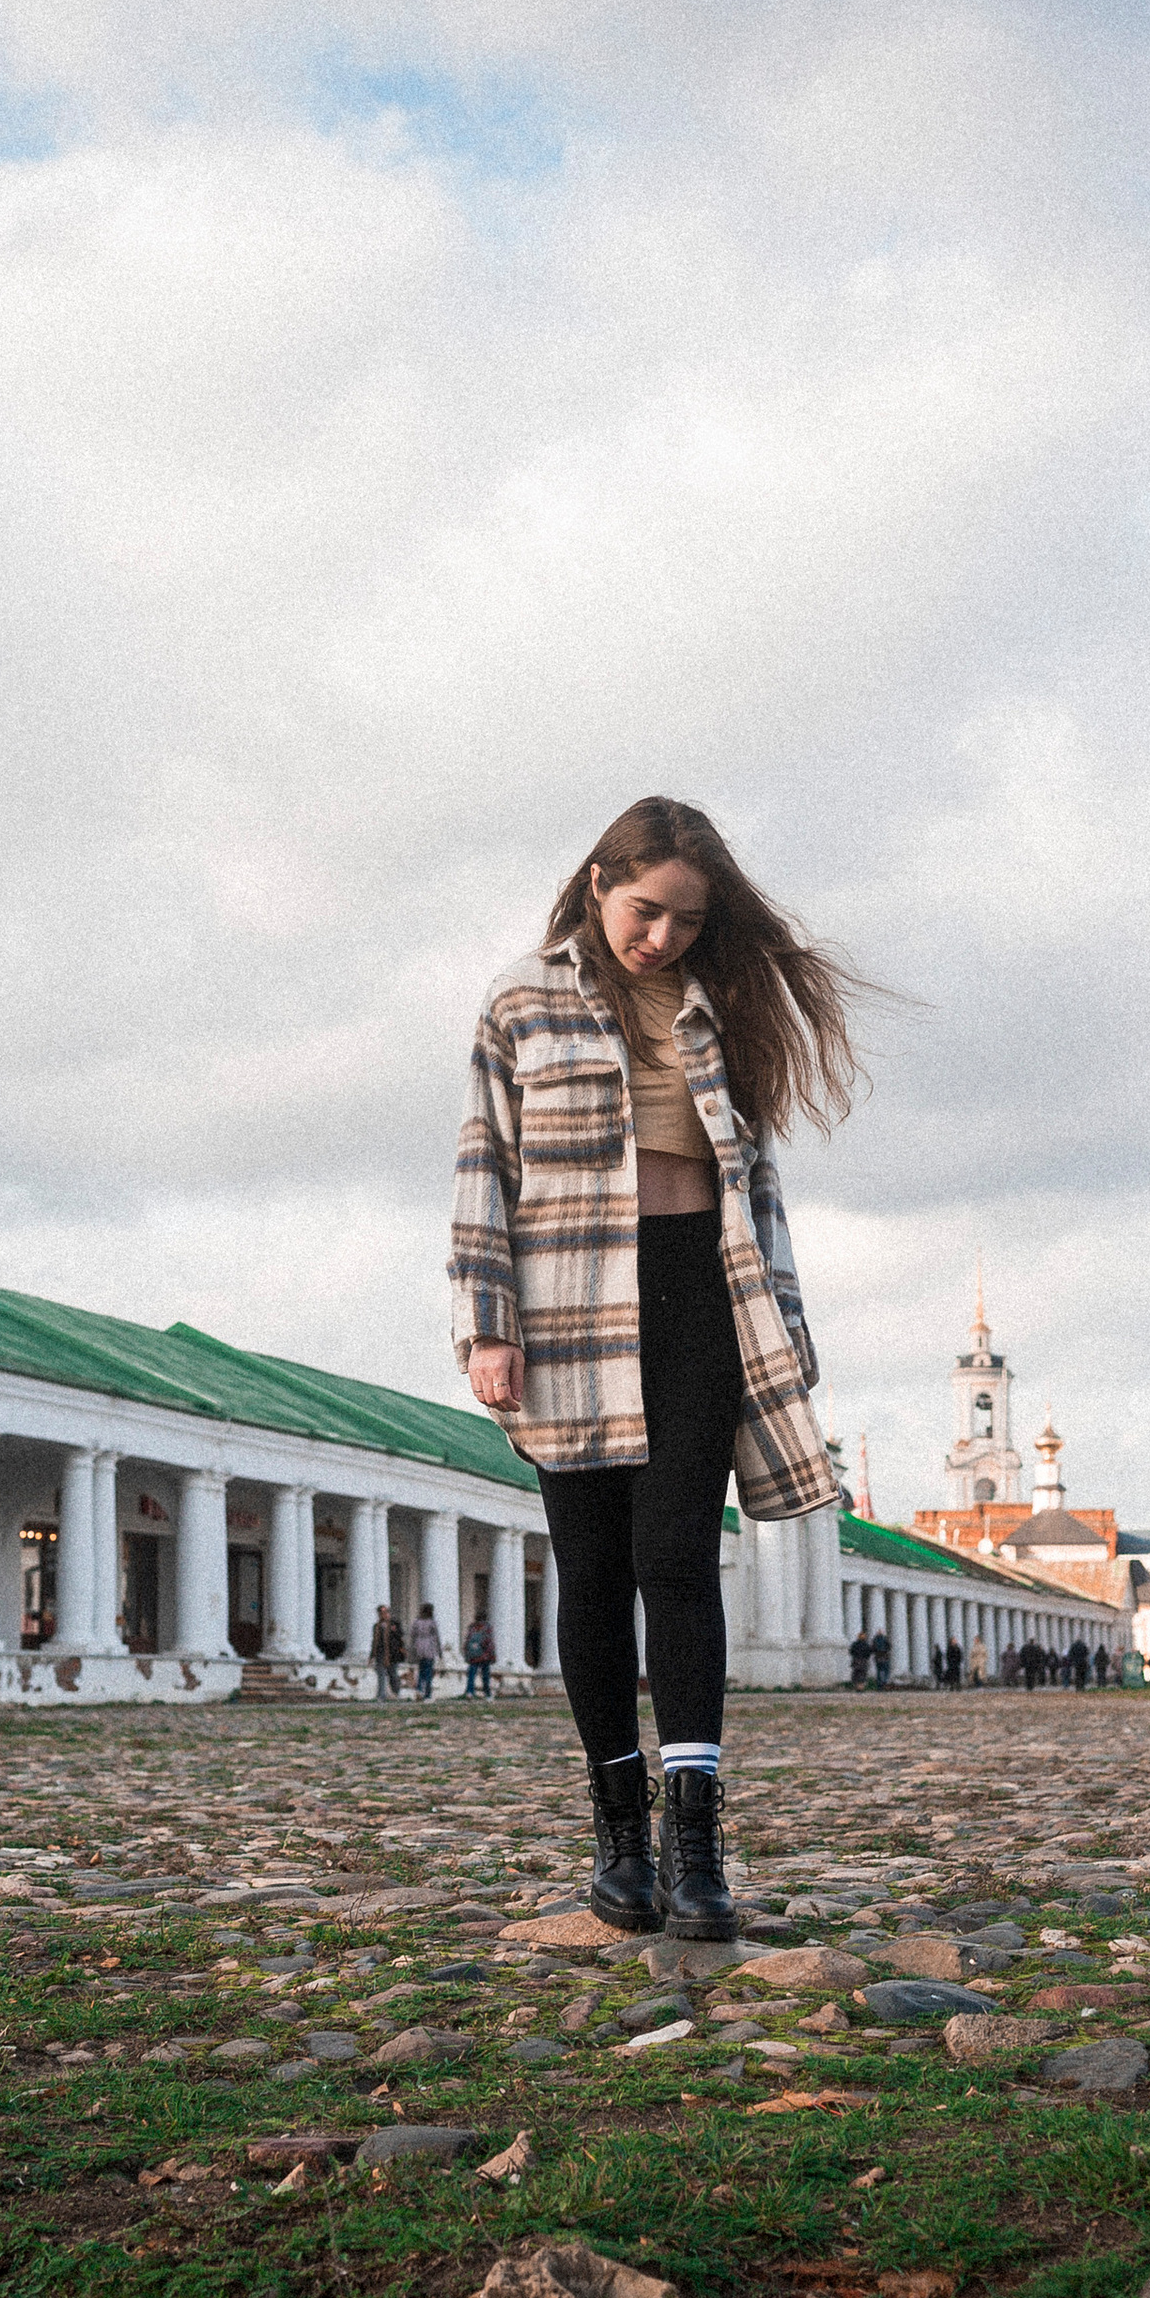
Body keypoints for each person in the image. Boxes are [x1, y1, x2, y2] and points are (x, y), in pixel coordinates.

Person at [451, 797, 865, 1940]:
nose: (662, 940)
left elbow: (759, 1186)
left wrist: (783, 1319)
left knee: (675, 1555)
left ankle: (695, 1845)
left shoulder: (718, 1009)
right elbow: (482, 1165)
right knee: (589, 1570)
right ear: (599, 883)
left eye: (686, 921)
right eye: (646, 913)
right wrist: (487, 1323)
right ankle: (618, 1836)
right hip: (564, 1299)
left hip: (700, 1292)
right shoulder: (519, 1000)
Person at [368, 1601, 404, 1701]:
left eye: (385, 1612)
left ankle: (396, 1692)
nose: (383, 1614)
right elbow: (374, 1642)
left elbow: (400, 1636)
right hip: (380, 1653)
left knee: (393, 1675)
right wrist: (371, 1656)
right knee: (381, 1675)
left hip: (392, 1654)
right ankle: (381, 1695)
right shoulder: (376, 1627)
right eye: (381, 1612)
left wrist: (394, 1630)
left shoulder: (395, 1624)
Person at [409, 1599, 442, 1700]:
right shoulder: (432, 1622)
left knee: (421, 1671)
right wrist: (440, 1652)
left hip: (419, 1648)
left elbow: (412, 1636)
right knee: (428, 1672)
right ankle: (427, 1694)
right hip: (429, 1648)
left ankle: (419, 1689)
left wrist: (413, 1649)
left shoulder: (416, 1622)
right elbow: (436, 1637)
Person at [462, 1608, 496, 1699]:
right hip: (484, 1655)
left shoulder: (472, 1627)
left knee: (471, 1674)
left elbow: (467, 1641)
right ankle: (487, 1693)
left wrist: (467, 1653)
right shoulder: (487, 1627)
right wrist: (492, 1655)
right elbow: (489, 1642)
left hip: (473, 1655)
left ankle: (470, 1691)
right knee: (485, 1676)